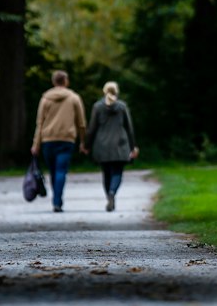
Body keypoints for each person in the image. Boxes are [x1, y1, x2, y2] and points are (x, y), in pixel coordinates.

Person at [31, 69, 86, 213]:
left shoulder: (45, 99)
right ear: (66, 81)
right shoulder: (74, 98)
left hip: (48, 140)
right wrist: (83, 141)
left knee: (53, 171)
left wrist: (35, 144)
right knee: (61, 170)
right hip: (66, 140)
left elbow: (40, 123)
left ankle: (56, 199)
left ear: (54, 81)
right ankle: (57, 201)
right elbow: (81, 123)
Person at [83, 81, 138, 212]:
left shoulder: (97, 107)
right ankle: (113, 192)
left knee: (106, 174)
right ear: (117, 91)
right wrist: (133, 146)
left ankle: (109, 196)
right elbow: (129, 128)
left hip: (102, 145)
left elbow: (92, 128)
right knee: (117, 172)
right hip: (120, 145)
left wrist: (87, 145)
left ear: (104, 91)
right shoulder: (122, 106)